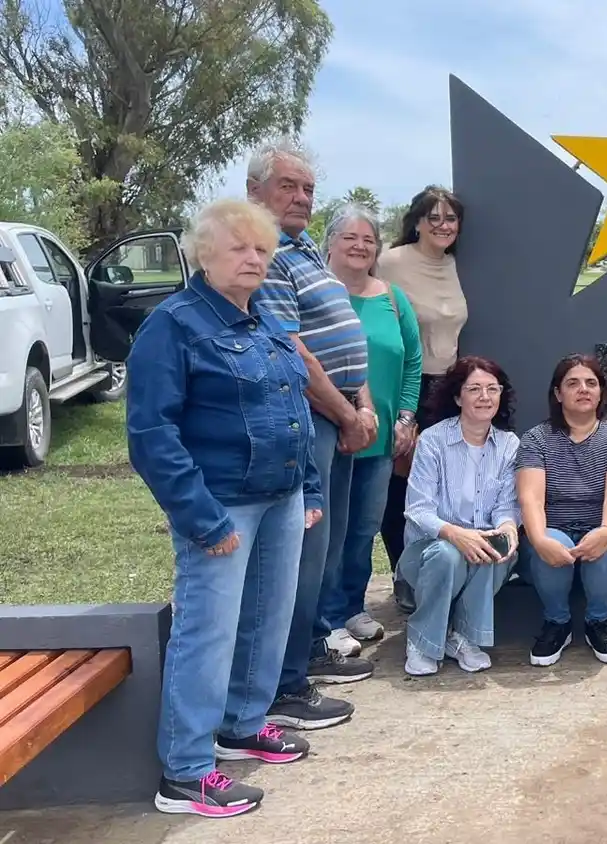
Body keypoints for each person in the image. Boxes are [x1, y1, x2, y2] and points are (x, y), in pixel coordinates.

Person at [127, 198, 321, 817]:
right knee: (207, 635)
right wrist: (202, 518)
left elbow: (294, 406)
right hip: (221, 506)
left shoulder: (264, 320)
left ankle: (243, 725)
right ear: (203, 254)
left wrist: (310, 487)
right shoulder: (173, 326)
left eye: (262, 249)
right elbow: (151, 435)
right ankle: (185, 773)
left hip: (282, 499)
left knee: (267, 620)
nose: (253, 259)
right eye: (239, 247)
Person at [246, 140, 374, 732]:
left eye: (308, 189)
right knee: (303, 554)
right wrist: (346, 414)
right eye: (288, 186)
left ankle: (308, 651)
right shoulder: (265, 252)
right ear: (256, 192)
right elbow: (293, 349)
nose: (301, 198)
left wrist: (361, 405)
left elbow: (342, 335)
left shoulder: (304, 251)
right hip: (308, 418)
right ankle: (285, 685)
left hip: (338, 413)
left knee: (328, 547)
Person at [316, 204, 423, 651]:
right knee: (329, 532)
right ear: (330, 244)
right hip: (330, 436)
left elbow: (412, 361)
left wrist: (405, 417)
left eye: (368, 240)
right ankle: (324, 618)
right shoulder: (316, 295)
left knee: (364, 528)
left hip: (379, 440)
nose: (360, 246)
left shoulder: (393, 300)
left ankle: (352, 607)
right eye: (350, 238)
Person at [397, 356, 521, 676]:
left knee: (496, 547)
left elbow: (507, 506)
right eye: (474, 389)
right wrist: (455, 534)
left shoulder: (509, 445)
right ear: (457, 397)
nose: (484, 396)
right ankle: (422, 640)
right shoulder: (433, 440)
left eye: (492, 389)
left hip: (480, 545)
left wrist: (508, 527)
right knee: (448, 554)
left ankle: (463, 637)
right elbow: (418, 509)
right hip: (430, 548)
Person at [377, 186, 469, 612]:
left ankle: (434, 573)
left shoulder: (455, 264)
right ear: (416, 222)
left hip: (449, 388)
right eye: (433, 217)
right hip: (409, 385)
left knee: (439, 488)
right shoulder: (391, 262)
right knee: (401, 485)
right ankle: (404, 575)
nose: (442, 225)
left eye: (450, 218)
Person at [516, 354, 607, 667]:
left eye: (591, 383)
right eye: (572, 383)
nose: (583, 389)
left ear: (601, 393)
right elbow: (531, 499)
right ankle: (557, 623)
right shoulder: (535, 439)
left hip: (600, 526)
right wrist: (539, 540)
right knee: (552, 542)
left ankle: (598, 622)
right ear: (558, 393)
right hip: (551, 526)